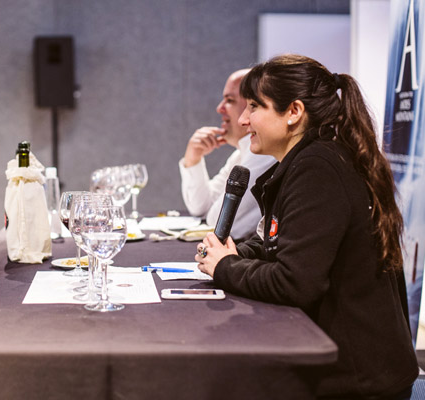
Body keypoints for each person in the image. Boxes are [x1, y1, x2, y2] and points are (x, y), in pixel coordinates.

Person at [196, 55, 418, 399]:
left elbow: (294, 282)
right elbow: (284, 242)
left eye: (254, 106)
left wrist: (226, 266)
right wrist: (241, 253)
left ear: (294, 112)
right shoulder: (314, 159)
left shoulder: (318, 167)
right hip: (359, 372)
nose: (242, 119)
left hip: (359, 384)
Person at [179, 69, 275, 240]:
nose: (219, 108)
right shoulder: (241, 153)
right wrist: (193, 159)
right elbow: (201, 208)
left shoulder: (264, 153)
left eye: (230, 100)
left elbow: (218, 222)